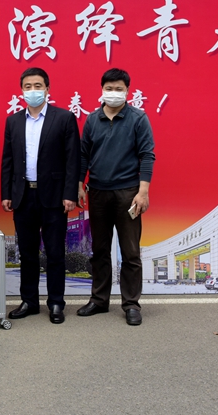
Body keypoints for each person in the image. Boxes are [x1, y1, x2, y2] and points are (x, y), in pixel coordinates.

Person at [1, 67, 80, 324]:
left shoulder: (64, 118)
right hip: (23, 196)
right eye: (28, 86)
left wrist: (70, 194)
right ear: (21, 90)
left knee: (55, 253)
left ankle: (56, 303)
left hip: (55, 197)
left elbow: (72, 160)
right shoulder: (13, 121)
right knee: (27, 253)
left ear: (47, 89)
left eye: (38, 86)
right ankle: (29, 301)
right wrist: (7, 193)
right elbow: (8, 161)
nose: (32, 91)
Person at [77, 68, 155, 326]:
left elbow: (147, 155)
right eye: (109, 88)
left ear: (127, 91)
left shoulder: (138, 118)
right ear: (102, 90)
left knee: (130, 252)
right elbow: (84, 155)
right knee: (99, 250)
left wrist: (143, 192)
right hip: (98, 192)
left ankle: (131, 304)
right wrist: (80, 184)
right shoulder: (92, 119)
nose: (113, 93)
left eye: (118, 89)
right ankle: (99, 300)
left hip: (128, 193)